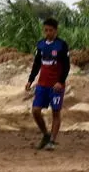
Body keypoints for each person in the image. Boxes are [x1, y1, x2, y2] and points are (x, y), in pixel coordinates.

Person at [25, 18, 70, 151]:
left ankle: (52, 141)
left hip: (55, 86)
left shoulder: (61, 45)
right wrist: (30, 80)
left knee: (56, 112)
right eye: (46, 30)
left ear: (56, 31)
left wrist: (60, 82)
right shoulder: (40, 45)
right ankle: (45, 134)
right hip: (42, 84)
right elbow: (37, 64)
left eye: (51, 30)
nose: (48, 32)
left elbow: (66, 66)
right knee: (35, 110)